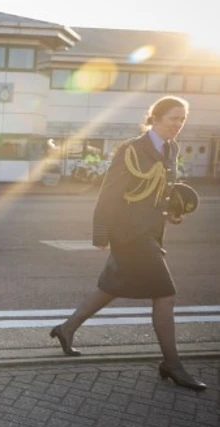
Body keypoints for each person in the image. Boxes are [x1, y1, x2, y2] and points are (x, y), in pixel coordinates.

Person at [50, 96, 205, 391]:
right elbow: (108, 194)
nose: (178, 124)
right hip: (129, 234)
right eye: (173, 118)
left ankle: (66, 329)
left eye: (182, 119)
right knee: (165, 296)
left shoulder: (171, 149)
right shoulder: (131, 149)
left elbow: (161, 191)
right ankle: (172, 364)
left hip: (150, 232)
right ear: (155, 117)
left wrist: (171, 211)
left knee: (110, 288)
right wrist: (101, 235)